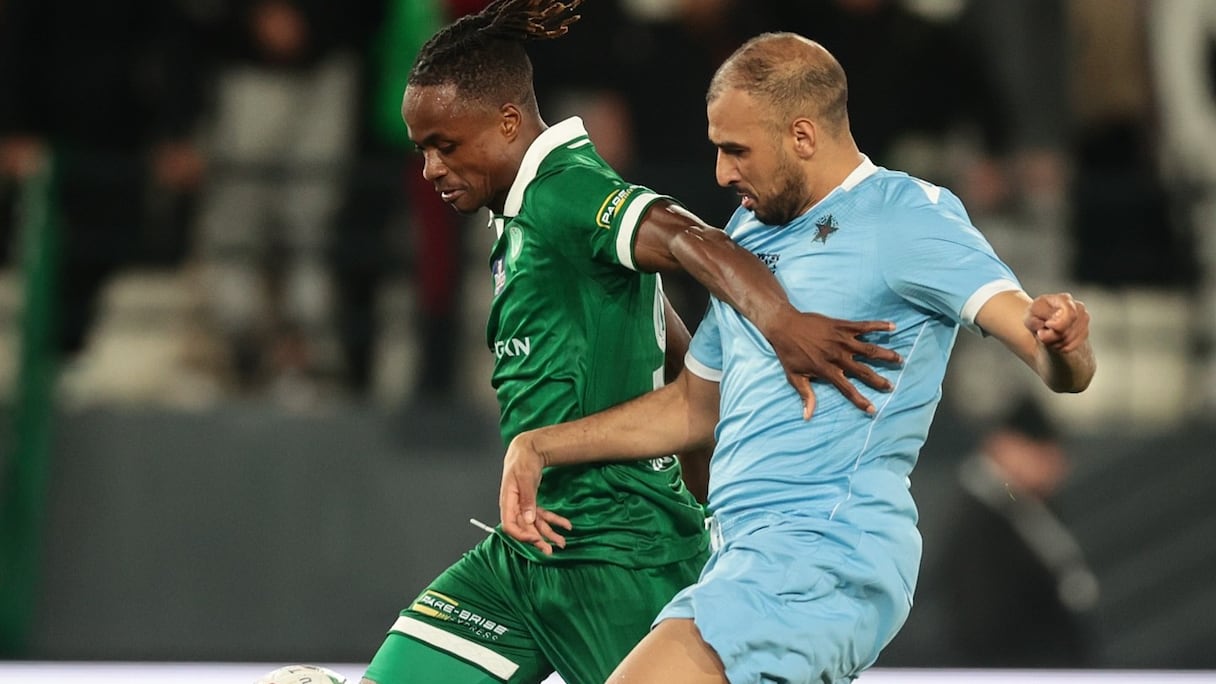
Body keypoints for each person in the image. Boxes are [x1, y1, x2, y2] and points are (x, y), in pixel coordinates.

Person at [499, 32, 1096, 683]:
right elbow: (695, 407)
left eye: (736, 150)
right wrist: (541, 446)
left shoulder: (906, 217)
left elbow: (1044, 351)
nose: (722, 172)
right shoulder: (749, 234)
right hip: (746, 559)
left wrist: (1063, 344)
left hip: (823, 556)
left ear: (803, 136)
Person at [362, 4, 902, 684]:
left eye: (445, 145)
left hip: (618, 550)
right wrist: (704, 484)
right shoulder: (523, 213)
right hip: (529, 552)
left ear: (508, 122)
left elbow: (692, 239)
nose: (430, 168)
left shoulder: (569, 192)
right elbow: (668, 341)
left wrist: (783, 322)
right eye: (422, 150)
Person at [936, 396, 1098, 667]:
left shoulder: (1025, 508)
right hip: (1010, 667)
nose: (1057, 467)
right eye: (1043, 453)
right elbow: (980, 617)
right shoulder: (981, 520)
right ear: (1006, 446)